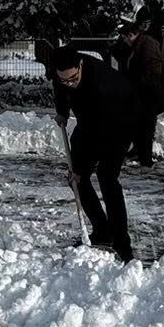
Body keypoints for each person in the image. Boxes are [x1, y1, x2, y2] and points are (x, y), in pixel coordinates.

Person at [51, 45, 138, 262]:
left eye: (73, 79)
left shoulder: (102, 84)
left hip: (120, 123)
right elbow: (60, 89)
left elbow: (101, 131)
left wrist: (83, 163)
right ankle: (102, 231)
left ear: (80, 65)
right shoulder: (63, 73)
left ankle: (122, 243)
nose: (69, 84)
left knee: (107, 178)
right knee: (77, 179)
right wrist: (62, 112)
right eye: (64, 80)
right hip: (89, 123)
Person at [116, 19, 164, 168]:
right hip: (143, 93)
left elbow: (153, 72)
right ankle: (140, 152)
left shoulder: (147, 45)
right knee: (138, 123)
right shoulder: (137, 45)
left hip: (151, 93)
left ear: (131, 35)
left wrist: (137, 86)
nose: (124, 41)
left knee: (146, 126)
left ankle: (145, 159)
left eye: (125, 38)